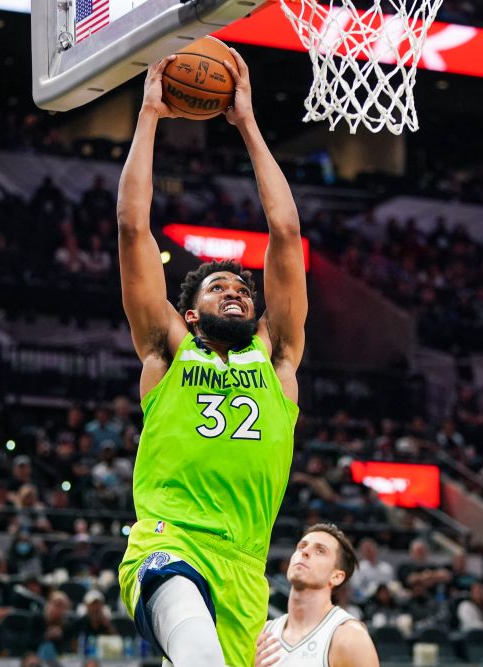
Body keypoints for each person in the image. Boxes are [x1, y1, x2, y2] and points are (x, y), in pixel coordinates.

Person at [116, 49, 307, 667]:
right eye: (217, 286)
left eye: (242, 287)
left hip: (245, 567)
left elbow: (284, 233)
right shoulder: (167, 350)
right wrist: (149, 114)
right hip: (167, 543)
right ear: (190, 314)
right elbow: (132, 228)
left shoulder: (276, 357)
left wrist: (247, 123)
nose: (236, 289)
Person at [253, 524, 379, 667]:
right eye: (302, 546)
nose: (305, 552)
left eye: (320, 551)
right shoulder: (265, 632)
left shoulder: (349, 637)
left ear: (336, 576)